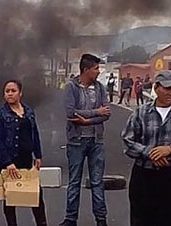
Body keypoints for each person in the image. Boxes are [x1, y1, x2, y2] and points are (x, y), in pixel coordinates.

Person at [122, 70, 171, 226]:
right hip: (143, 176)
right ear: (156, 87)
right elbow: (128, 141)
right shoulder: (141, 113)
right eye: (167, 88)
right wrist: (150, 153)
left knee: (168, 219)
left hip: (170, 176)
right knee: (141, 219)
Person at [60, 54, 110, 226]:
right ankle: (70, 219)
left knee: (97, 182)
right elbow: (71, 113)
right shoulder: (71, 88)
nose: (98, 72)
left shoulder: (101, 88)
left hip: (96, 140)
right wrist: (97, 112)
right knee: (74, 181)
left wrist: (87, 120)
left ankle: (101, 220)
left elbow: (107, 113)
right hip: (76, 141)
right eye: (96, 68)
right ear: (86, 69)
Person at [0, 80, 47, 226]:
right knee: (10, 197)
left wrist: (38, 155)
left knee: (36, 195)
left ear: (20, 93)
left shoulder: (29, 111)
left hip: (27, 158)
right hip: (9, 160)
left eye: (13, 91)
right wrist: (7, 162)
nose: (10, 94)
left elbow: (34, 133)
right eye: (7, 91)